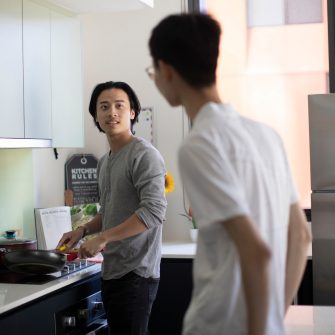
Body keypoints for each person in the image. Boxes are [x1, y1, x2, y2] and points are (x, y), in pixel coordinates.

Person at [148, 13, 311, 335]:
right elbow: (301, 235)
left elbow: (255, 250)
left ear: (166, 70)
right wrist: (273, 318)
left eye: (153, 70)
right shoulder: (266, 135)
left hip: (220, 325)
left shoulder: (199, 144)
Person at [57, 81, 167, 335]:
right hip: (113, 270)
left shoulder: (144, 155)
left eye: (119, 105)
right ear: (96, 116)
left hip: (137, 272)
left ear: (133, 112)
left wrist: (103, 238)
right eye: (104, 107)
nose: (112, 113)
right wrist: (83, 230)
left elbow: (153, 212)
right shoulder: (105, 161)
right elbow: (110, 211)